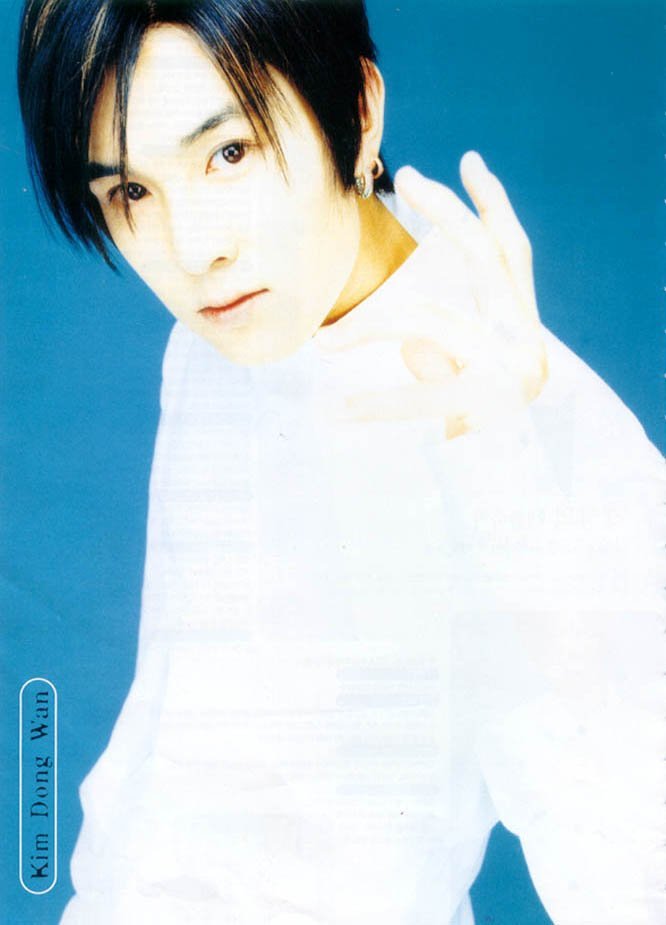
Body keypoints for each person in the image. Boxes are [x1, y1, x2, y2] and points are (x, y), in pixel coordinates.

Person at [17, 1, 665, 923]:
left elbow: (632, 884)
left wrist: (503, 474)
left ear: (358, 111)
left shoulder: (521, 408)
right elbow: (176, 745)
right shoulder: (223, 331)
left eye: (229, 153)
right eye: (132, 192)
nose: (195, 250)